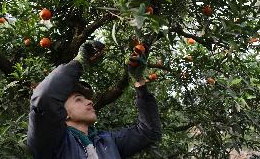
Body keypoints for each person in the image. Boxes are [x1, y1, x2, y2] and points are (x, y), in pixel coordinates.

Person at [27, 40, 161, 159]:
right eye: (78, 99)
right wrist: (79, 63)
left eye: (86, 98)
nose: (90, 101)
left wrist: (139, 82)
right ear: (63, 112)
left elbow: (149, 131)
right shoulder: (52, 142)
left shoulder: (109, 141)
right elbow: (44, 100)